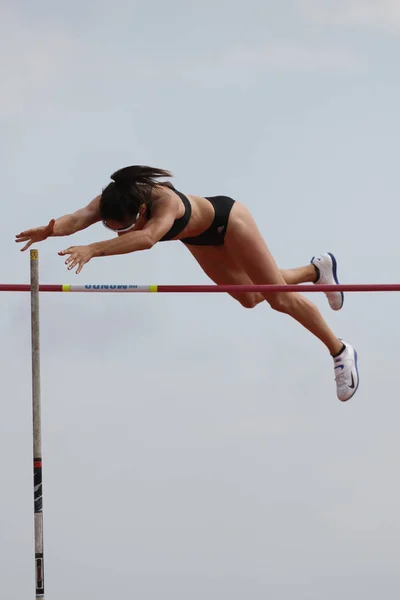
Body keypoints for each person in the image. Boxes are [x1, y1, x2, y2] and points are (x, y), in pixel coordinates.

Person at [15, 165, 359, 401]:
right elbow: (77, 218)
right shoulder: (113, 198)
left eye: (121, 226)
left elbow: (147, 239)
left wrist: (93, 249)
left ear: (142, 209)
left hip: (229, 223)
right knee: (252, 297)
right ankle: (316, 271)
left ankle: (340, 350)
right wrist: (50, 230)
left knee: (278, 300)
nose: (117, 232)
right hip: (200, 238)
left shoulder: (164, 204)